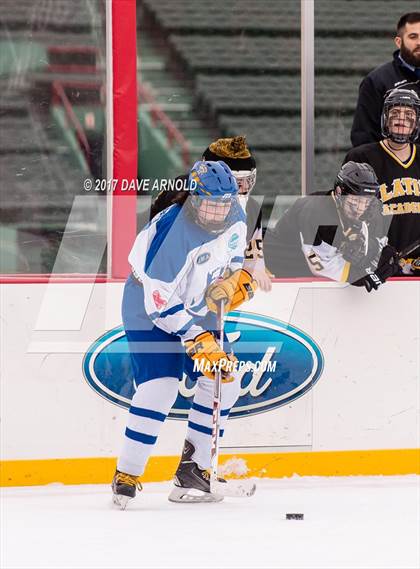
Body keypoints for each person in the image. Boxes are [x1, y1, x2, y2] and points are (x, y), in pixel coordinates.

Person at [112, 160, 258, 508]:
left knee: (224, 378)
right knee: (160, 386)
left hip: (195, 303)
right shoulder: (172, 231)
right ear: (193, 198)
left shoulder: (235, 213)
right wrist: (196, 337)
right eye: (210, 202)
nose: (218, 210)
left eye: (224, 202)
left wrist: (232, 284)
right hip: (146, 305)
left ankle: (194, 472)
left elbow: (232, 263)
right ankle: (127, 474)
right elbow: (160, 302)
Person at [149, 136, 272, 292]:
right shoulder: (182, 192)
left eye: (247, 181)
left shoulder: (252, 207)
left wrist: (254, 270)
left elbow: (253, 257)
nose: (243, 189)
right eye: (237, 182)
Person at [263, 161, 400, 292]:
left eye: (366, 201)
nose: (360, 208)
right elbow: (320, 266)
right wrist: (361, 275)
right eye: (355, 200)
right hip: (271, 269)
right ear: (340, 192)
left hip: (301, 278)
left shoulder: (367, 211)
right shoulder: (316, 212)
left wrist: (382, 254)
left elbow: (376, 243)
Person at [345, 88, 420, 276]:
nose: (401, 119)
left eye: (409, 114)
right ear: (385, 117)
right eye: (395, 112)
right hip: (377, 267)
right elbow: (345, 213)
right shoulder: (360, 157)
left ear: (417, 121)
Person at [351, 12, 420, 147]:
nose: (419, 42)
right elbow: (363, 139)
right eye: (413, 37)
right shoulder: (377, 81)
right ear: (399, 42)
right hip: (396, 167)